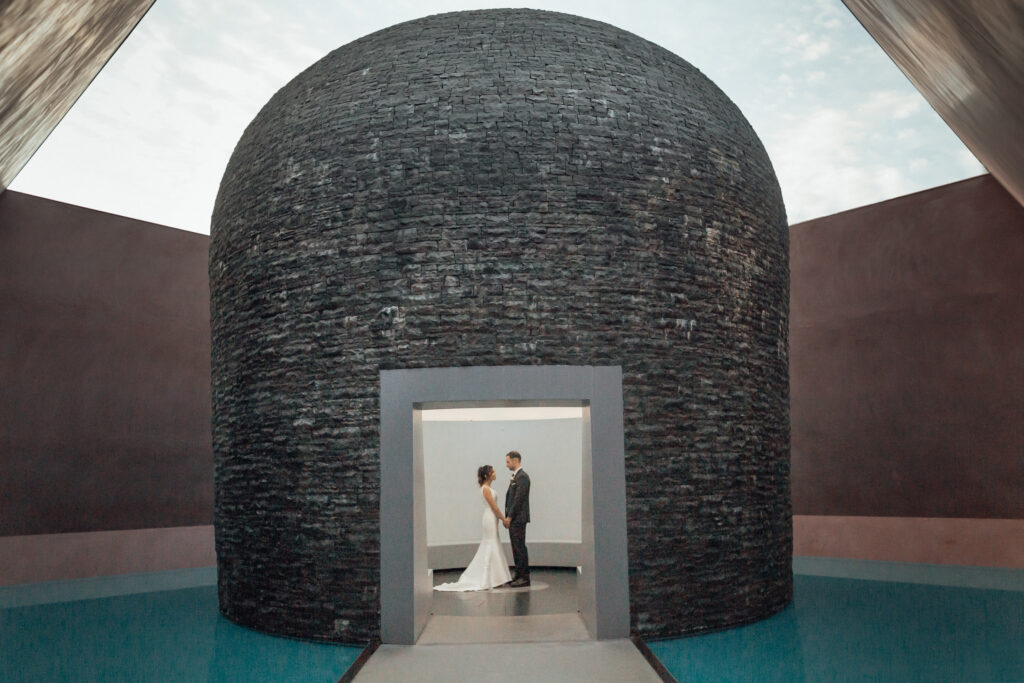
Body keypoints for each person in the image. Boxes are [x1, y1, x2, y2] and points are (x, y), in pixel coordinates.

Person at [433, 464, 512, 591]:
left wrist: (500, 519)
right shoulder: (485, 489)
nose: (495, 474)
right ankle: (490, 578)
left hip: (492, 518)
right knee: (490, 543)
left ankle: (494, 577)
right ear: (487, 475)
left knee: (493, 542)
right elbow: (494, 507)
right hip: (489, 517)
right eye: (493, 472)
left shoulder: (488, 488)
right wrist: (503, 519)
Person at [503, 450, 531, 587]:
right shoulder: (517, 477)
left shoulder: (522, 477)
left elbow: (518, 499)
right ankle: (518, 574)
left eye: (508, 462)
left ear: (515, 460)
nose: (506, 465)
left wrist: (509, 516)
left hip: (518, 518)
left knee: (519, 547)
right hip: (515, 519)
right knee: (515, 547)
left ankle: (524, 577)